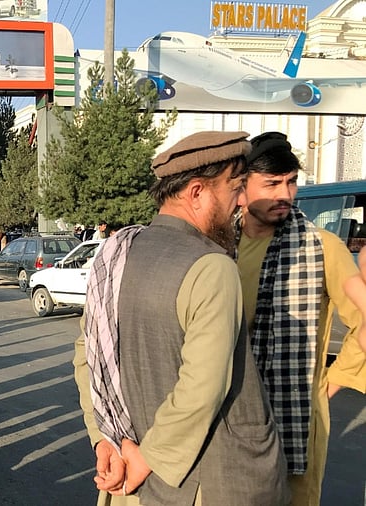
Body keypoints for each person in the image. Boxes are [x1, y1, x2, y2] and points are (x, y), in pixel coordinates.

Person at [73, 131, 289, 505]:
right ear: (197, 192)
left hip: (130, 478)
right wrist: (147, 458)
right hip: (210, 482)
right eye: (234, 188)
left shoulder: (115, 255)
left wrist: (103, 439)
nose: (241, 201)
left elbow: (88, 356)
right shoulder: (211, 266)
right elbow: (202, 387)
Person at [235, 131, 366, 505]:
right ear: (241, 191)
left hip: (296, 415)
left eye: (291, 182)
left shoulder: (321, 246)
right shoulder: (220, 246)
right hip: (230, 410)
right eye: (272, 184)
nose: (285, 195)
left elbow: (362, 318)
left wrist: (331, 383)